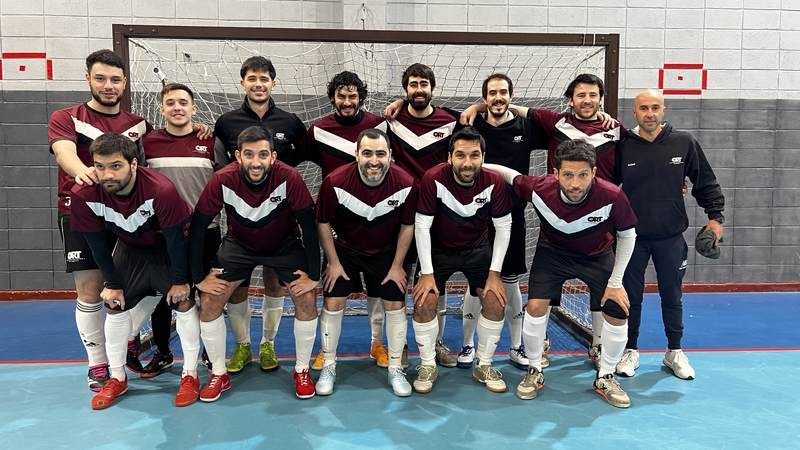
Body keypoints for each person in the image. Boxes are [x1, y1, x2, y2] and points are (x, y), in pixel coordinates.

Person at [463, 73, 625, 367]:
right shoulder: (552, 123)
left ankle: (597, 347)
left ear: (601, 99)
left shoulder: (615, 131)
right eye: (580, 95)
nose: (587, 100)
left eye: (592, 95)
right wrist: (476, 109)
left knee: (604, 291)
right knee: (491, 283)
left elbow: (639, 154)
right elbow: (511, 168)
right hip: (511, 219)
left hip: (591, 222)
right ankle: (487, 346)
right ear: (569, 100)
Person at [485, 139, 637, 408]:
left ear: (594, 172)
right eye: (567, 175)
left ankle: (606, 375)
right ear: (555, 174)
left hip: (597, 256)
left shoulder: (613, 196)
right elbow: (511, 175)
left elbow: (627, 235)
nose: (575, 184)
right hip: (552, 254)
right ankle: (534, 370)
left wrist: (615, 282)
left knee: (617, 309)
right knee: (534, 307)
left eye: (582, 175)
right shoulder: (539, 189)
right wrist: (477, 164)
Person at [70, 133, 201, 409]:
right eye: (100, 166)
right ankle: (117, 377)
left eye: (115, 166)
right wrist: (112, 282)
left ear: (133, 164)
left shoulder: (160, 189)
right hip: (131, 251)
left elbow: (177, 239)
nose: (107, 174)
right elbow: (97, 244)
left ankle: (190, 374)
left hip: (167, 248)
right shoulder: (83, 194)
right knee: (114, 304)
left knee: (185, 301)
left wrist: (179, 280)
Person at [189, 126, 320, 401]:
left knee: (307, 297)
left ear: (273, 156)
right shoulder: (222, 179)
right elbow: (199, 226)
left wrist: (315, 276)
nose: (256, 162)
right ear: (238, 156)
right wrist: (198, 277)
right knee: (210, 300)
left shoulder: (290, 177)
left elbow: (309, 225)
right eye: (249, 154)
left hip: (284, 245)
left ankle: (301, 369)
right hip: (239, 246)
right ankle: (218, 374)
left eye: (263, 154)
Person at [48, 49, 152, 391]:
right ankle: (97, 364)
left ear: (124, 83)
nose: (109, 86)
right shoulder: (67, 117)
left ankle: (127, 340)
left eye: (115, 80)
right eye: (101, 78)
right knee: (91, 291)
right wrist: (86, 175)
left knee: (136, 286)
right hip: (81, 212)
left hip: (128, 215)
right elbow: (64, 154)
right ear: (88, 79)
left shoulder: (138, 126)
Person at [614, 89, 725, 380]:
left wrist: (715, 218)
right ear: (634, 113)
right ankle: (630, 351)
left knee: (672, 296)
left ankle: (673, 351)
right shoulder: (623, 146)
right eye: (643, 108)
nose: (649, 113)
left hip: (670, 237)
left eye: (655, 108)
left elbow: (706, 183)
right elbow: (606, 188)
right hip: (631, 239)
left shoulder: (683, 142)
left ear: (663, 111)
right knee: (630, 298)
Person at [293, 71, 400, 370]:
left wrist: (402, 100)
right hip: (338, 224)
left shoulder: (380, 125)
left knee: (378, 290)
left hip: (379, 219)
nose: (347, 101)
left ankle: (377, 344)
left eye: (353, 96)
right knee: (334, 289)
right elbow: (291, 161)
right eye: (341, 96)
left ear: (361, 97)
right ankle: (327, 352)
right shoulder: (317, 130)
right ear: (332, 98)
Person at [212, 56, 308, 375]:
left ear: (273, 83)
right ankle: (243, 346)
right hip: (241, 224)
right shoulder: (226, 122)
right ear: (243, 83)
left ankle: (267, 343)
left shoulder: (291, 122)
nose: (258, 84)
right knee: (237, 286)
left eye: (264, 78)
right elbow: (218, 167)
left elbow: (306, 157)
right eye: (252, 78)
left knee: (273, 281)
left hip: (281, 224)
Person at [457, 73, 549, 371]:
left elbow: (560, 129)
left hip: (512, 215)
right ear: (484, 98)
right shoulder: (471, 125)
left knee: (510, 281)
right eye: (492, 93)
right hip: (475, 217)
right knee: (476, 284)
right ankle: (468, 344)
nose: (498, 97)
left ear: (511, 95)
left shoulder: (526, 127)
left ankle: (516, 345)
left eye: (503, 92)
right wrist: (475, 109)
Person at [315, 128, 417, 396]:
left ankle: (395, 368)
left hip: (386, 252)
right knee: (333, 301)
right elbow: (322, 222)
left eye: (381, 153)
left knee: (396, 304)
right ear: (356, 154)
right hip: (345, 251)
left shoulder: (406, 183)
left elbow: (408, 225)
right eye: (368, 153)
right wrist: (334, 263)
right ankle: (329, 365)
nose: (374, 160)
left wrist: (397, 265)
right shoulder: (334, 182)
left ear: (390, 155)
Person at [412, 127, 513, 394]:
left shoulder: (494, 181)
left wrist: (494, 273)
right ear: (449, 157)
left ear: (483, 156)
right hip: (438, 250)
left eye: (474, 156)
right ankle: (427, 365)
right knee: (424, 301)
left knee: (495, 300)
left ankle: (484, 364)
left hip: (477, 250)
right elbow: (421, 226)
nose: (467, 163)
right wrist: (426, 272)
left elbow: (504, 227)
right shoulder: (432, 178)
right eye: (460, 155)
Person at [384, 63, 464, 368]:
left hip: (437, 216)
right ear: (405, 90)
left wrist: (480, 103)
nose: (419, 89)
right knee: (398, 278)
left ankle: (435, 343)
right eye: (413, 85)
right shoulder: (392, 120)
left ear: (432, 88)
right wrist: (397, 106)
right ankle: (399, 344)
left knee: (435, 280)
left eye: (424, 84)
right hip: (400, 214)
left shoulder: (451, 120)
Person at [138, 83, 220, 378]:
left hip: (206, 232)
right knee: (166, 295)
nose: (177, 107)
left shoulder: (211, 142)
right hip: (163, 234)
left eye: (183, 102)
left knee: (207, 295)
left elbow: (228, 181)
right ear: (161, 109)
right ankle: (163, 353)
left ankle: (210, 354)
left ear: (193, 109)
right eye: (170, 102)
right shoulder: (148, 143)